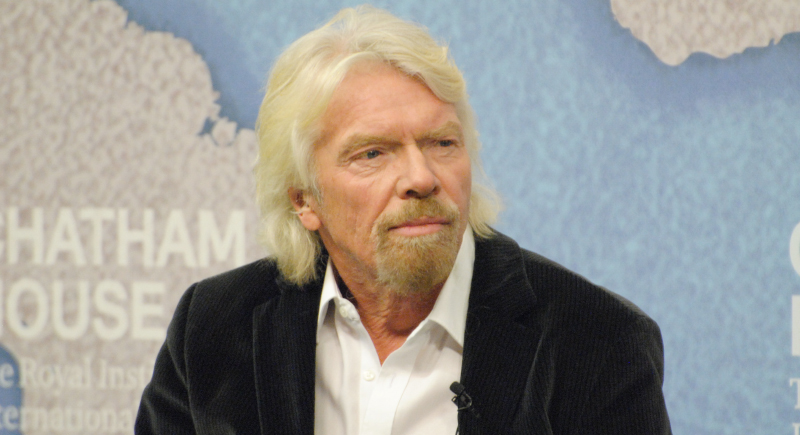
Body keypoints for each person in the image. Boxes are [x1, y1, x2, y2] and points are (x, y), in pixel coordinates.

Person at [136, 6, 671, 435]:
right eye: (373, 153)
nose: (421, 177)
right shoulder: (213, 329)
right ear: (304, 199)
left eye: (442, 143)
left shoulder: (597, 343)